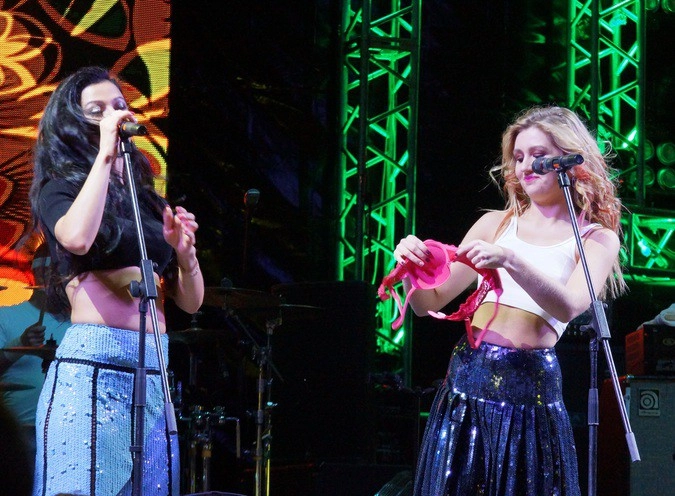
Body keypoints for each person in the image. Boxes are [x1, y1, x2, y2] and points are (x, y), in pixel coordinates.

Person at [393, 105, 625, 496]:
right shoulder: (494, 224)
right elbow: (429, 302)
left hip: (530, 389)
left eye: (538, 154)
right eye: (518, 157)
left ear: (569, 159)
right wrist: (411, 269)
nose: (525, 166)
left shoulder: (596, 238)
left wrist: (511, 260)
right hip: (468, 381)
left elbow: (570, 305)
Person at [29, 66, 204, 496]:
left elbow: (191, 302)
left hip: (153, 370)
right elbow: (76, 237)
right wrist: (105, 154)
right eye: (97, 110)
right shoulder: (60, 187)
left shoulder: (147, 200)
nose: (114, 115)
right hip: (94, 372)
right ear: (73, 123)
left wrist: (185, 254)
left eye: (119, 105)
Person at [0, 246, 70, 477]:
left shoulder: (79, 323)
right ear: (39, 273)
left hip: (66, 432)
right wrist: (19, 344)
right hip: (21, 433)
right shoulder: (5, 315)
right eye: (56, 271)